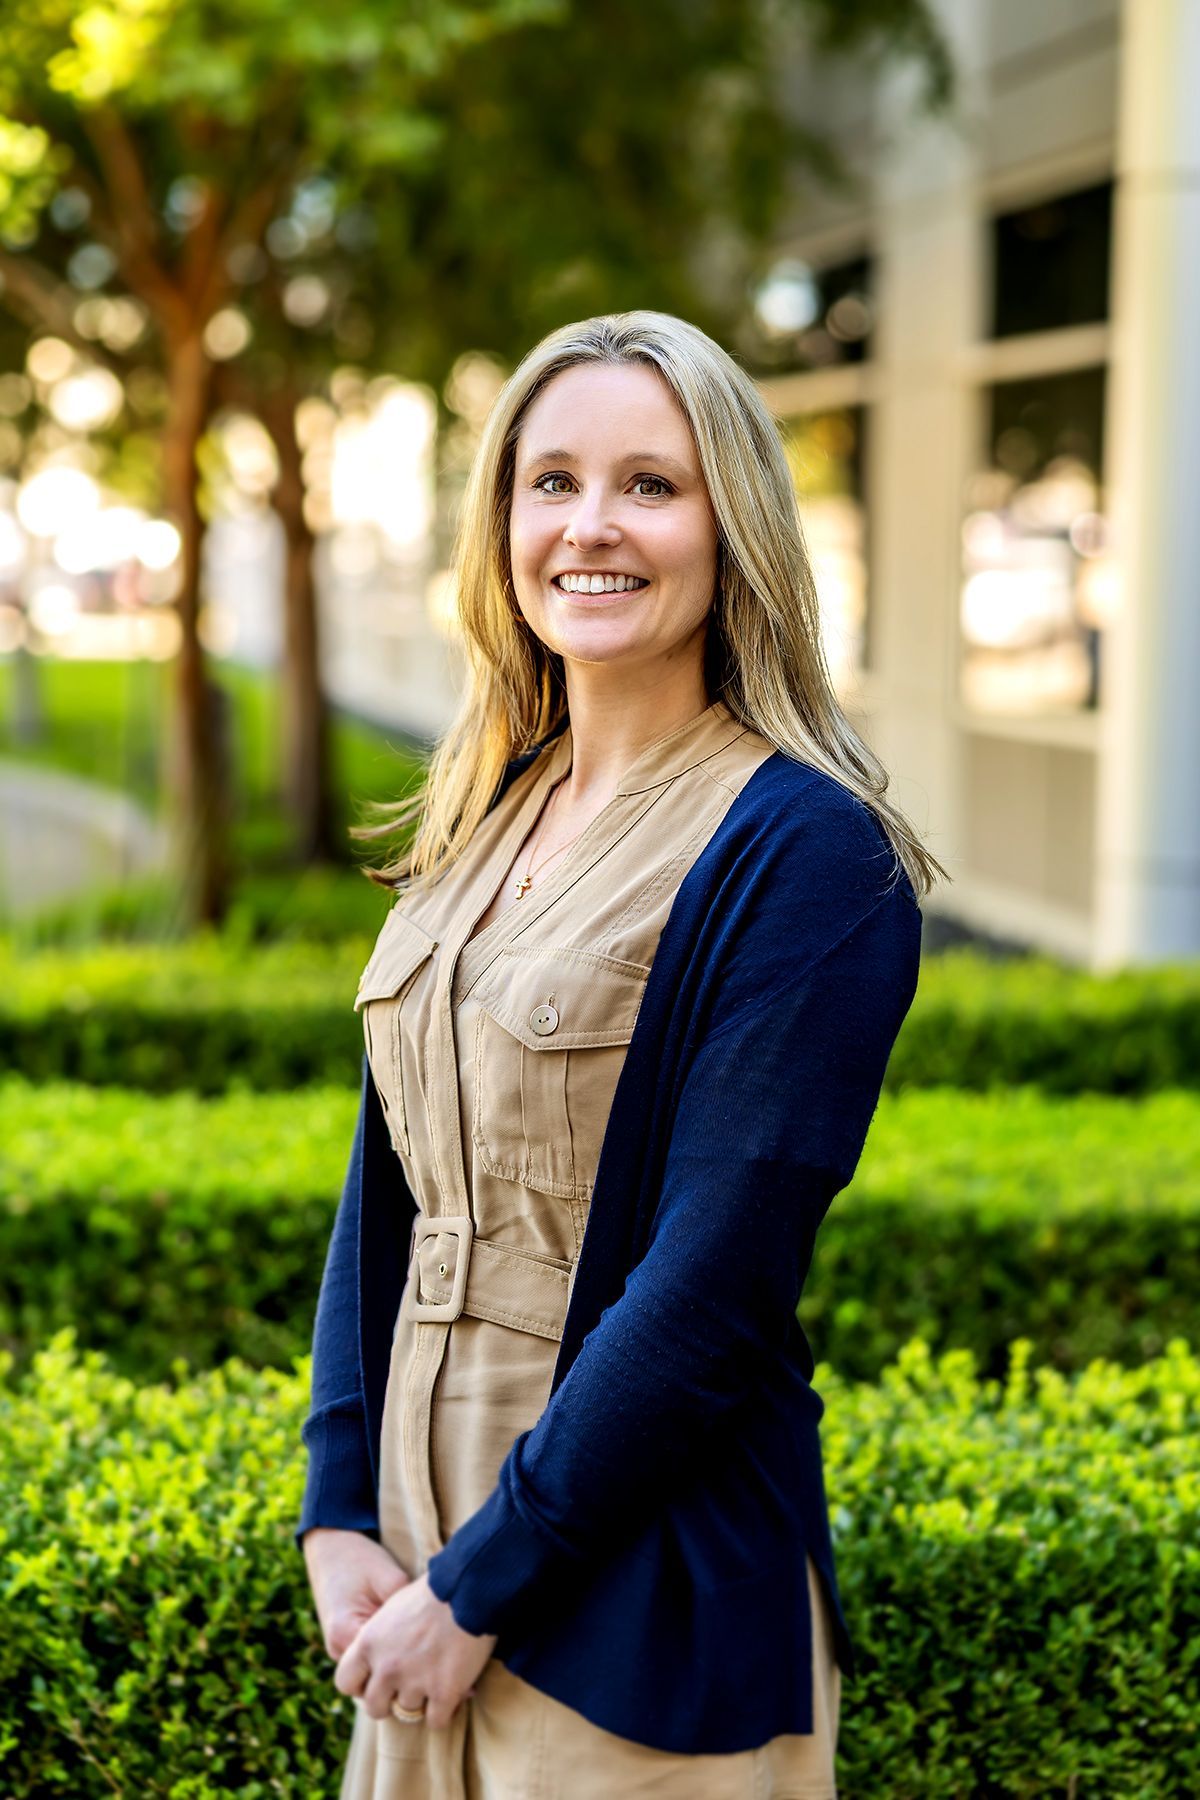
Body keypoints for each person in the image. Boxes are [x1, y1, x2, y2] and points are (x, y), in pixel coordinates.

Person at [297, 309, 948, 1798]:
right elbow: (388, 1191)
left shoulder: (804, 852)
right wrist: (343, 1507)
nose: (592, 526)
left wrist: (485, 1585)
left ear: (737, 527)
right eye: (553, 482)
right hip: (415, 1523)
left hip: (631, 1552)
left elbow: (716, 1287)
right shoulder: (489, 810)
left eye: (653, 485)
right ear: (503, 520)